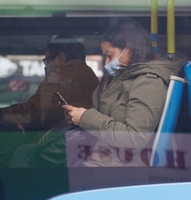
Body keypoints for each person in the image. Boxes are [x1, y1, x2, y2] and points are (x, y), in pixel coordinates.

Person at [64, 18, 183, 167]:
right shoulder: (121, 76)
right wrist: (79, 116)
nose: (107, 63)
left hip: (128, 163)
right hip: (108, 154)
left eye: (110, 55)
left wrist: (86, 118)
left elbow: (135, 138)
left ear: (129, 49)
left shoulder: (149, 82)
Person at [0, 36, 99, 166]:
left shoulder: (62, 74)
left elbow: (36, 113)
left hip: (59, 144)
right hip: (79, 145)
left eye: (47, 60)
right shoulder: (89, 74)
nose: (46, 66)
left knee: (22, 153)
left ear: (60, 58)